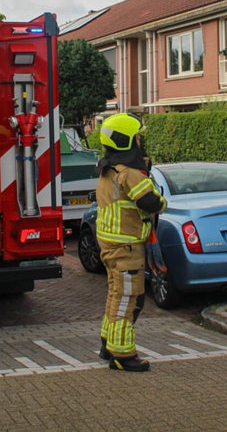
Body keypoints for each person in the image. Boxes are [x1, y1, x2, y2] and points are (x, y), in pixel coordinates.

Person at [95, 113, 167, 372]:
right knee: (130, 299)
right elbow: (150, 202)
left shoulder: (108, 168)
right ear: (126, 140)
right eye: (136, 136)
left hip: (112, 245)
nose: (140, 139)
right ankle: (123, 355)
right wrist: (163, 202)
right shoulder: (129, 172)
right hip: (126, 247)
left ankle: (108, 344)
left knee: (116, 295)